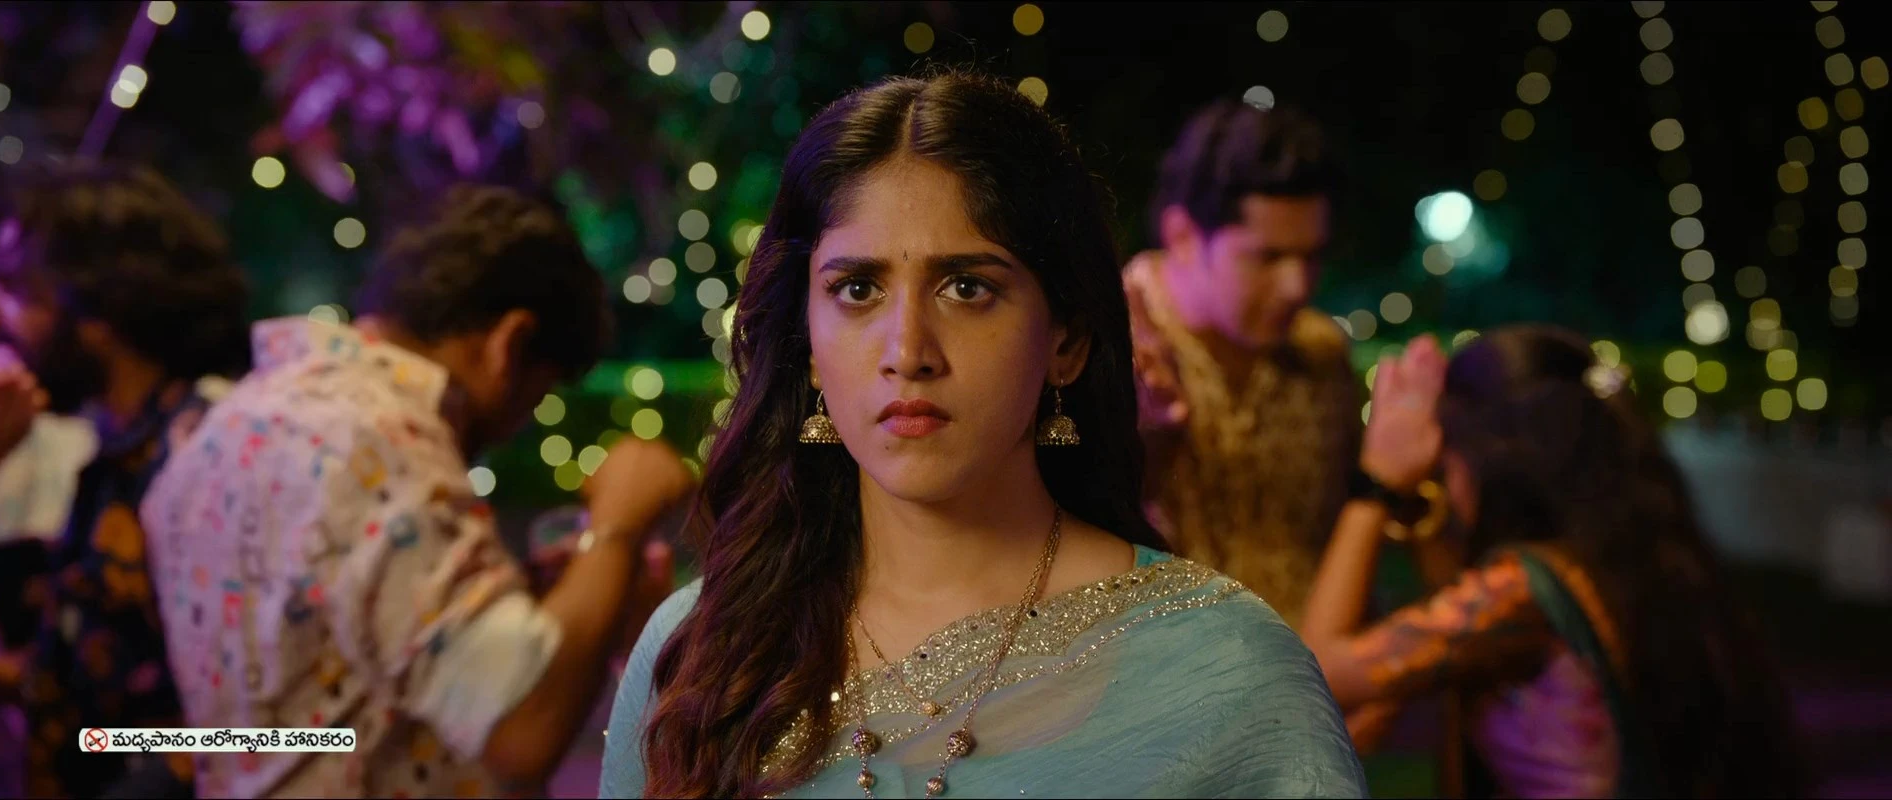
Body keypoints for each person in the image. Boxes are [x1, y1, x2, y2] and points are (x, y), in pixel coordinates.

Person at [597, 72, 1367, 799]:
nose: (908, 351)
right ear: (807, 343)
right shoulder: (703, 655)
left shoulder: (1229, 673)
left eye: (967, 288)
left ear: (1066, 339)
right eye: (857, 289)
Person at [137, 185, 694, 798]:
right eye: (535, 397)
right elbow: (521, 730)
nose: (515, 426)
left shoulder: (222, 426)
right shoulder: (382, 442)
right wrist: (618, 525)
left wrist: (542, 605)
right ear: (509, 344)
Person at [1299, 327, 1805, 798]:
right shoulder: (1620, 562)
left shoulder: (1520, 592)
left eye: (1446, 463)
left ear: (1485, 460)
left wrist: (1377, 481)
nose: (1445, 487)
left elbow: (1309, 673)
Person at [0, 161, 252, 798]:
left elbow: (255, 732)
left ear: (97, 311)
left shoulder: (206, 453)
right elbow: (98, 691)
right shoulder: (114, 460)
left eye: (16, 290)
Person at [1125, 99, 1360, 626]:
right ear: (1184, 236)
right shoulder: (1106, 351)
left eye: (1312, 256)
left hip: (1313, 665)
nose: (1297, 286)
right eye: (1268, 257)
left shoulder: (1321, 351)